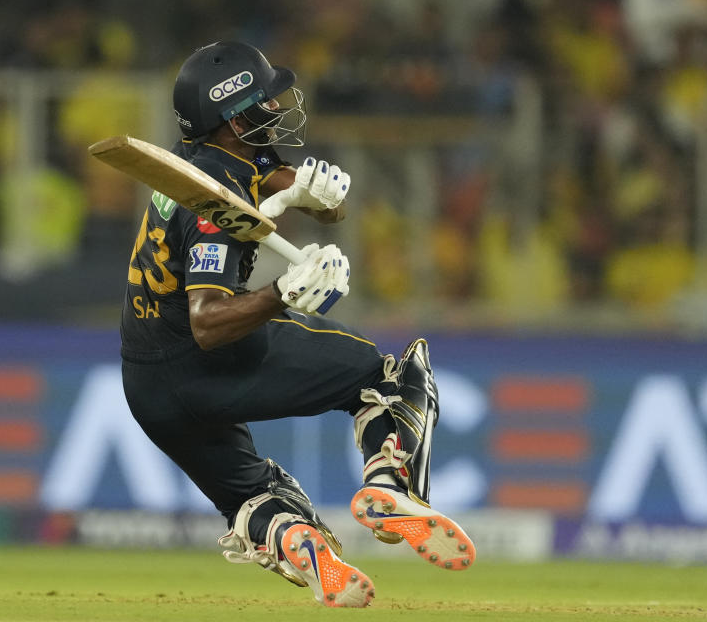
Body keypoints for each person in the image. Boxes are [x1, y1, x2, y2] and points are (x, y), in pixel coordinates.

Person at [119, 41, 476, 608]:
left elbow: (280, 185)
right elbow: (208, 323)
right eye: (265, 101)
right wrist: (282, 295)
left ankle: (298, 544)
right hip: (210, 354)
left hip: (147, 386)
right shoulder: (212, 201)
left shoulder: (219, 158)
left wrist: (318, 200)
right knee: (392, 379)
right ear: (234, 117)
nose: (279, 108)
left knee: (253, 494)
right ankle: (389, 486)